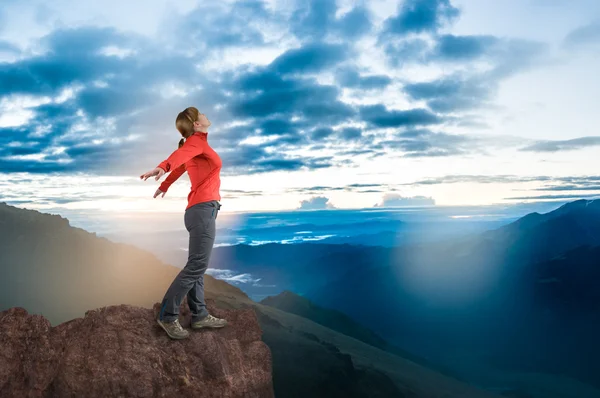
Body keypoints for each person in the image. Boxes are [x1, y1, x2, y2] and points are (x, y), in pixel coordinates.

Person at [140, 107, 227, 340]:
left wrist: (164, 184)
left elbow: (180, 166)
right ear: (197, 125)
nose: (206, 115)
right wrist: (162, 166)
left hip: (199, 211)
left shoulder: (196, 146)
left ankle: (199, 315)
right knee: (197, 265)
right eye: (202, 114)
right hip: (202, 210)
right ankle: (167, 316)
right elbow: (176, 160)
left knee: (197, 264)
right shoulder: (196, 142)